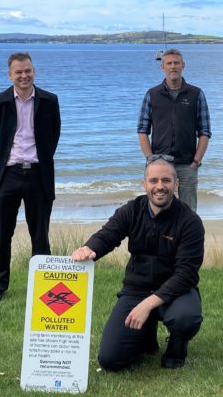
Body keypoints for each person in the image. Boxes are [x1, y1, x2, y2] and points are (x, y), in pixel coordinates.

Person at [71, 156, 204, 370]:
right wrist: (89, 249)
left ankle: (177, 350)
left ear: (176, 184)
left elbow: (186, 274)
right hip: (136, 289)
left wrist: (148, 304)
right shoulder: (132, 210)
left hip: (175, 291)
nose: (159, 186)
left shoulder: (190, 221)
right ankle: (145, 337)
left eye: (166, 180)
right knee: (111, 360)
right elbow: (108, 235)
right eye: (153, 181)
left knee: (186, 317)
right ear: (144, 185)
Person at [0, 52, 61, 302]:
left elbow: (53, 137)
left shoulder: (50, 100)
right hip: (8, 174)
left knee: (40, 234)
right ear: (10, 75)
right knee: (2, 234)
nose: (24, 75)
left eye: (27, 70)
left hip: (38, 174)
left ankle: (44, 286)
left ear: (34, 71)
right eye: (18, 72)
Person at [137, 48, 211, 211]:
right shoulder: (152, 94)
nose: (173, 67)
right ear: (162, 67)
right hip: (159, 164)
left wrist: (195, 162)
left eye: (176, 63)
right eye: (169, 63)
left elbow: (204, 132)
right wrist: (150, 159)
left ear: (183, 65)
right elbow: (142, 130)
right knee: (157, 209)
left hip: (187, 164)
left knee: (189, 212)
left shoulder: (196, 94)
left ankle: (187, 238)